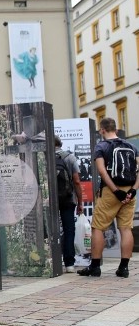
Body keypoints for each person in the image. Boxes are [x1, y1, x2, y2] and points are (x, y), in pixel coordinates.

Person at [78, 117, 139, 277]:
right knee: (126, 228)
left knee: (98, 228)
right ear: (116, 130)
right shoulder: (131, 147)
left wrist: (116, 191)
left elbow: (102, 171)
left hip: (110, 192)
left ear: (102, 130)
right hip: (130, 191)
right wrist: (132, 191)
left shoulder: (102, 146)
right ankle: (124, 268)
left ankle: (95, 266)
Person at [55, 136, 83, 272]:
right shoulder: (69, 157)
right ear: (60, 144)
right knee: (69, 230)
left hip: (50, 200)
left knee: (50, 230)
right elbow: (76, 181)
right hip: (67, 199)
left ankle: (52, 261)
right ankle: (69, 264)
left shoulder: (44, 156)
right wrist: (80, 202)